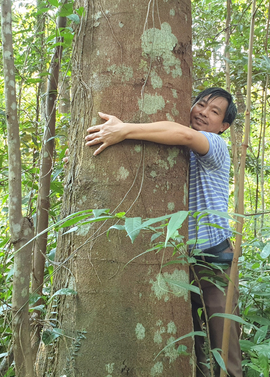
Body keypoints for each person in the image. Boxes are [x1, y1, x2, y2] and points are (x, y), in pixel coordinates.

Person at [85, 87, 242, 377]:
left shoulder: (215, 146)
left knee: (225, 346)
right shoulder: (181, 148)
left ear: (224, 126)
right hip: (178, 261)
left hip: (213, 263)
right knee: (188, 350)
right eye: (201, 104)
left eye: (214, 111)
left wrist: (123, 130)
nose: (203, 112)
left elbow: (182, 133)